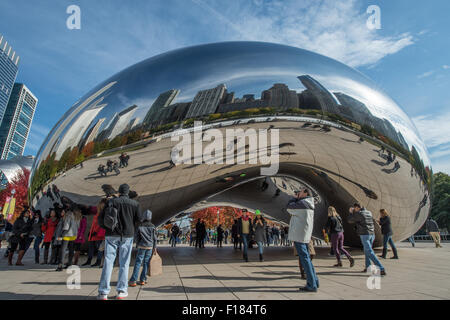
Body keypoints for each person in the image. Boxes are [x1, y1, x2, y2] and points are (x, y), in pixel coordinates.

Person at [97, 183, 141, 300]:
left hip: (111, 234)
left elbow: (100, 219)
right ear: (128, 192)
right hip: (127, 235)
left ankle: (103, 292)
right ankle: (121, 291)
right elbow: (139, 220)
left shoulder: (111, 202)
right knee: (124, 263)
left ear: (119, 192)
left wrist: (106, 228)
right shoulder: (135, 204)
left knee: (108, 262)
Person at [287, 189, 319, 292]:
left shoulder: (302, 203)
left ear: (306, 193)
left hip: (299, 235)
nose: (298, 194)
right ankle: (315, 281)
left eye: (300, 192)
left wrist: (294, 198)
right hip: (304, 234)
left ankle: (311, 285)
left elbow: (289, 207)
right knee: (307, 259)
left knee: (304, 259)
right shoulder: (309, 203)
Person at [348, 203, 386, 276]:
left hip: (365, 234)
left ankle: (381, 268)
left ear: (357, 208)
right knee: (367, 251)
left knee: (369, 252)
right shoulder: (369, 212)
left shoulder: (359, 213)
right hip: (372, 234)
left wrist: (351, 212)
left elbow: (350, 220)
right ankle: (368, 267)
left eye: (354, 208)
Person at [129, 209, 157, 287]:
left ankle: (133, 280)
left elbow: (137, 237)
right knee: (146, 263)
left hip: (141, 246)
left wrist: (137, 244)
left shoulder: (140, 226)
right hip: (150, 246)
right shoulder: (153, 226)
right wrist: (155, 247)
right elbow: (155, 238)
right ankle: (143, 280)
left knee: (138, 262)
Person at [56, 206, 81, 271]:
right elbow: (78, 226)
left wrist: (62, 234)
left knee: (63, 250)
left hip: (67, 234)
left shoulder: (68, 215)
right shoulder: (77, 216)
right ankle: (69, 263)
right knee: (71, 250)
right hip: (74, 235)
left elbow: (66, 226)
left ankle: (60, 265)